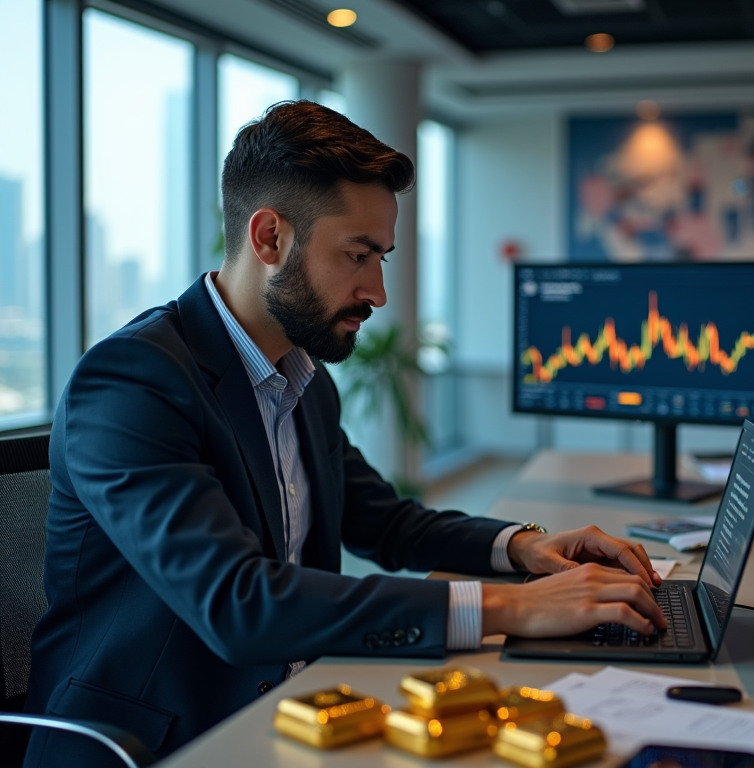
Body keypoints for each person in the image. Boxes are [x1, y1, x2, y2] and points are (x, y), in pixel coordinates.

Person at [23, 101, 667, 767]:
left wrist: (524, 549)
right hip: (158, 742)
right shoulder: (134, 382)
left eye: (381, 256)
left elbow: (385, 524)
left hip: (292, 711)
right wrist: (516, 609)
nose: (379, 291)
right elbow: (238, 604)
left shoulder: (300, 375)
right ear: (269, 238)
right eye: (358, 255)